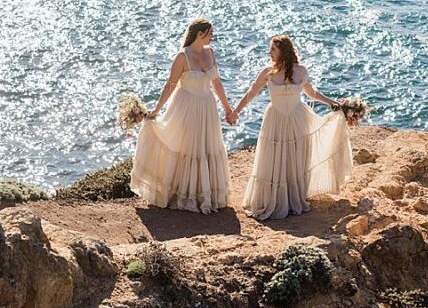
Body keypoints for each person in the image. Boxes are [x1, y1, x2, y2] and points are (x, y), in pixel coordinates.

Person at [233, 34, 352, 220]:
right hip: (275, 119)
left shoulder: (301, 71)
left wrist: (334, 104)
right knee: (274, 157)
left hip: (297, 117)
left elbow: (311, 93)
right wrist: (236, 111)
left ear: (283, 51)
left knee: (295, 156)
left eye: (273, 49)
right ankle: (274, 199)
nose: (269, 52)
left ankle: (292, 198)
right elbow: (251, 93)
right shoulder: (267, 71)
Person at [129, 18, 235, 213]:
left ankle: (205, 193)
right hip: (186, 107)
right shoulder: (182, 57)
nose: (213, 37)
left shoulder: (210, 53)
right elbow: (170, 85)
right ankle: (182, 193)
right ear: (200, 34)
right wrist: (156, 110)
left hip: (207, 107)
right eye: (210, 33)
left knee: (206, 147)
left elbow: (217, 83)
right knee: (187, 147)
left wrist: (228, 108)